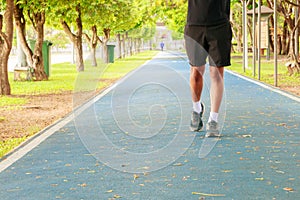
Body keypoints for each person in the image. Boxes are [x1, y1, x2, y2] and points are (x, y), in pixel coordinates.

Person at [184, 0, 232, 137]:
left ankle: (213, 120)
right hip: (194, 25)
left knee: (216, 73)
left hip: (219, 26)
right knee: (196, 72)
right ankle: (196, 109)